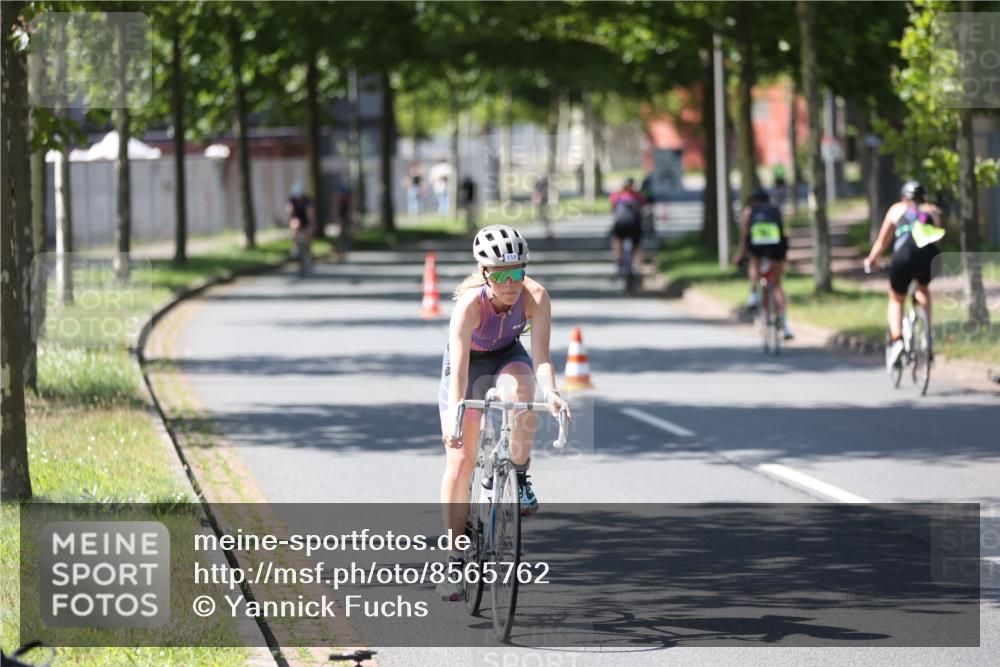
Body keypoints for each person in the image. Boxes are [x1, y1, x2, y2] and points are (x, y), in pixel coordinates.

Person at [436, 224, 570, 601]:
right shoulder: (467, 307)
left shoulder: (536, 297)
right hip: (470, 365)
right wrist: (455, 416)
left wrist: (554, 393)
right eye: (501, 275)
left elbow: (541, 358)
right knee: (460, 462)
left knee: (524, 394)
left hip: (509, 355)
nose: (511, 284)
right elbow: (459, 371)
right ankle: (454, 558)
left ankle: (520, 477)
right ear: (485, 274)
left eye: (518, 272)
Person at [864, 180, 944, 369]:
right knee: (923, 289)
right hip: (929, 256)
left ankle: (897, 338)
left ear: (903, 197)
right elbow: (938, 239)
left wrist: (871, 260)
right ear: (924, 197)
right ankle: (927, 334)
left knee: (896, 299)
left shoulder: (897, 209)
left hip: (903, 255)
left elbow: (883, 241)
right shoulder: (932, 211)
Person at [732, 187, 793, 340]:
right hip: (777, 247)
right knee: (777, 285)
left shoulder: (749, 212)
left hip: (758, 246)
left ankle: (753, 293)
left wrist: (740, 255)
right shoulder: (775, 210)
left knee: (754, 261)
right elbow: (782, 231)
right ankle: (785, 326)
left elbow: (744, 236)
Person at [609, 177, 646, 275]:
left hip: (621, 224)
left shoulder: (616, 195)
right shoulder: (638, 196)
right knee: (637, 245)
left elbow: (613, 210)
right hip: (635, 224)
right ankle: (638, 267)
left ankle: (619, 264)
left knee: (617, 242)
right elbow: (642, 210)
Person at [285, 183, 314, 261]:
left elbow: (310, 213)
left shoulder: (307, 201)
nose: (298, 199)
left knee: (308, 233)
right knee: (294, 225)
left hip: (305, 219)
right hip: (296, 218)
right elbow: (289, 211)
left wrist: (311, 224)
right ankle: (295, 246)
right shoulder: (292, 200)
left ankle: (308, 251)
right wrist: (289, 221)